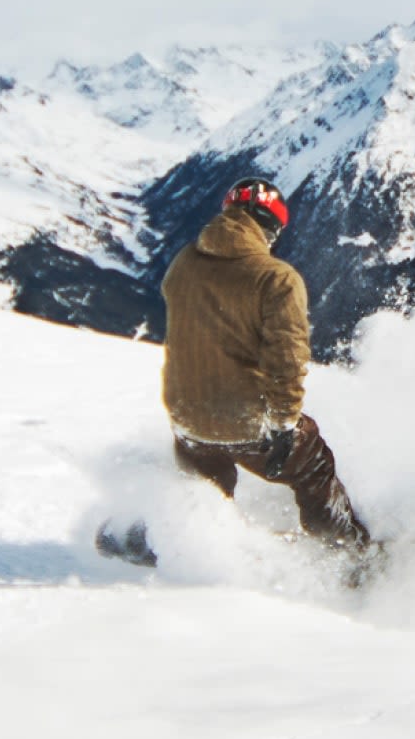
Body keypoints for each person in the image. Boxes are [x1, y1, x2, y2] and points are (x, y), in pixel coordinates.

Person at [158, 178, 373, 551]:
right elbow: (286, 360)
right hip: (246, 421)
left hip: (186, 420)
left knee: (206, 486)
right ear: (271, 227)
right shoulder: (276, 279)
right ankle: (348, 551)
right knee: (313, 465)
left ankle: (189, 544)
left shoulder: (183, 263)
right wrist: (284, 425)